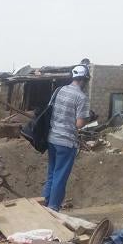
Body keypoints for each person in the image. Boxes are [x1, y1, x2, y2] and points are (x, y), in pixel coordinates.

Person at [43, 65, 91, 211]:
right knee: (60, 176)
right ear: (84, 80)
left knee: (52, 172)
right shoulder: (81, 97)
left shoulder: (60, 90)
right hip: (66, 142)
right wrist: (89, 118)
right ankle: (53, 208)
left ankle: (45, 202)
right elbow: (79, 124)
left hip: (52, 138)